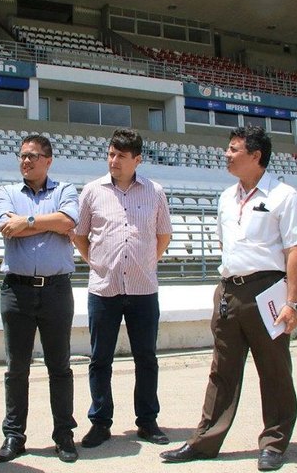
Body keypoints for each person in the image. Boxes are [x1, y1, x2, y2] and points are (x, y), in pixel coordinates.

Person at [160, 125, 297, 471]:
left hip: (267, 290)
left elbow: (294, 251)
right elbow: (224, 246)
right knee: (221, 370)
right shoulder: (226, 197)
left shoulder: (283, 195)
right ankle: (204, 441)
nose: (226, 154)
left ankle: (273, 443)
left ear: (255, 156)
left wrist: (292, 302)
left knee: (273, 370)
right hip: (229, 291)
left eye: (233, 149)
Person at [73, 127, 172, 448]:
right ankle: (100, 422)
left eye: (121, 156)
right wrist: (99, 262)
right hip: (103, 289)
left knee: (146, 358)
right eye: (111, 154)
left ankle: (147, 421)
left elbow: (163, 236)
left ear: (137, 159)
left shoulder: (155, 192)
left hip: (144, 290)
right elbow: (79, 235)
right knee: (100, 359)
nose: (113, 160)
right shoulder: (91, 191)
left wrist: (144, 264)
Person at [0, 134, 80, 463]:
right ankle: (14, 435)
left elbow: (68, 221)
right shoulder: (6, 192)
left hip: (56, 290)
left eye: (33, 156)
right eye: (22, 156)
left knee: (60, 367)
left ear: (48, 160)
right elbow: (7, 228)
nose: (26, 161)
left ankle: (64, 435)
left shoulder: (65, 190)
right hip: (17, 290)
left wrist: (28, 220)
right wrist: (49, 224)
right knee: (16, 368)